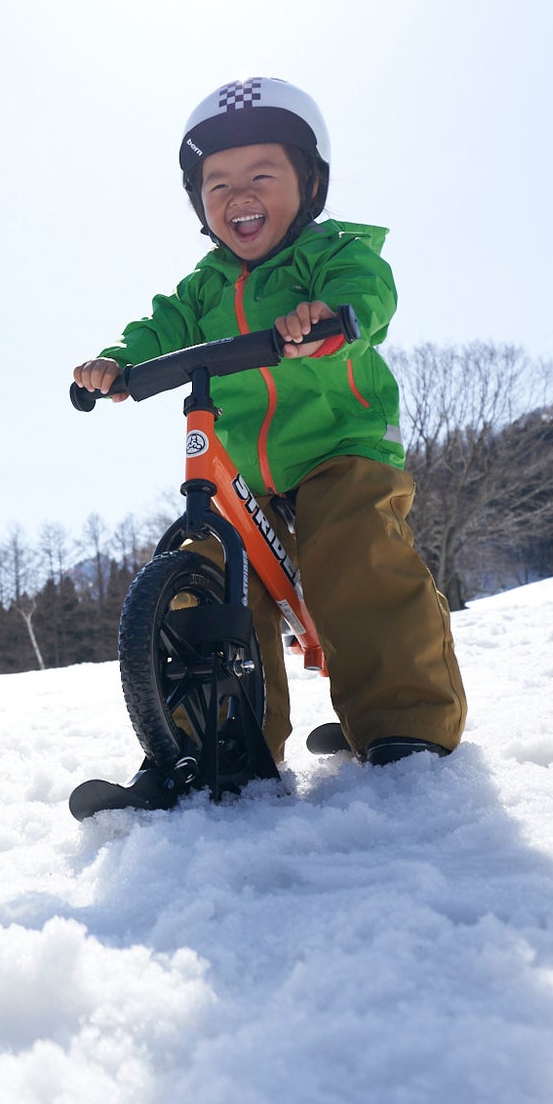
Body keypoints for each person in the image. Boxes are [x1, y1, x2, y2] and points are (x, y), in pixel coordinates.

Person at [73, 77, 466, 775]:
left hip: (338, 451)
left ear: (309, 183)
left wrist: (330, 317)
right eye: (217, 185)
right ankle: (217, 743)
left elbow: (366, 287)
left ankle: (405, 722)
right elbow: (161, 326)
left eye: (261, 175)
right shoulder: (204, 288)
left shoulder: (329, 253)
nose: (238, 196)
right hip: (245, 473)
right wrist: (122, 362)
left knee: (353, 550)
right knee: (216, 576)